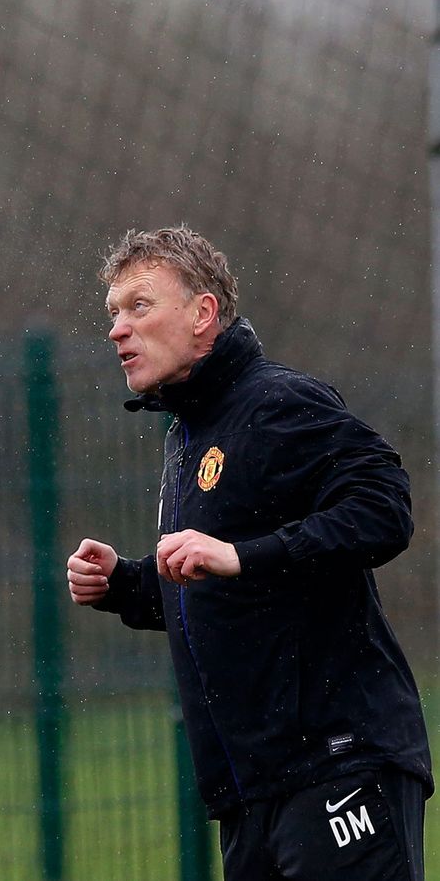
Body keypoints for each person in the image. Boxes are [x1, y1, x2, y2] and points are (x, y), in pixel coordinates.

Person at [66, 225, 433, 881]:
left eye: (140, 306)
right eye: (113, 313)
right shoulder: (187, 435)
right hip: (252, 790)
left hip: (337, 762)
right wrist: (123, 583)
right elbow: (215, 576)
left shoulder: (278, 404)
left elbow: (385, 509)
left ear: (203, 313)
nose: (118, 329)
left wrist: (244, 555)